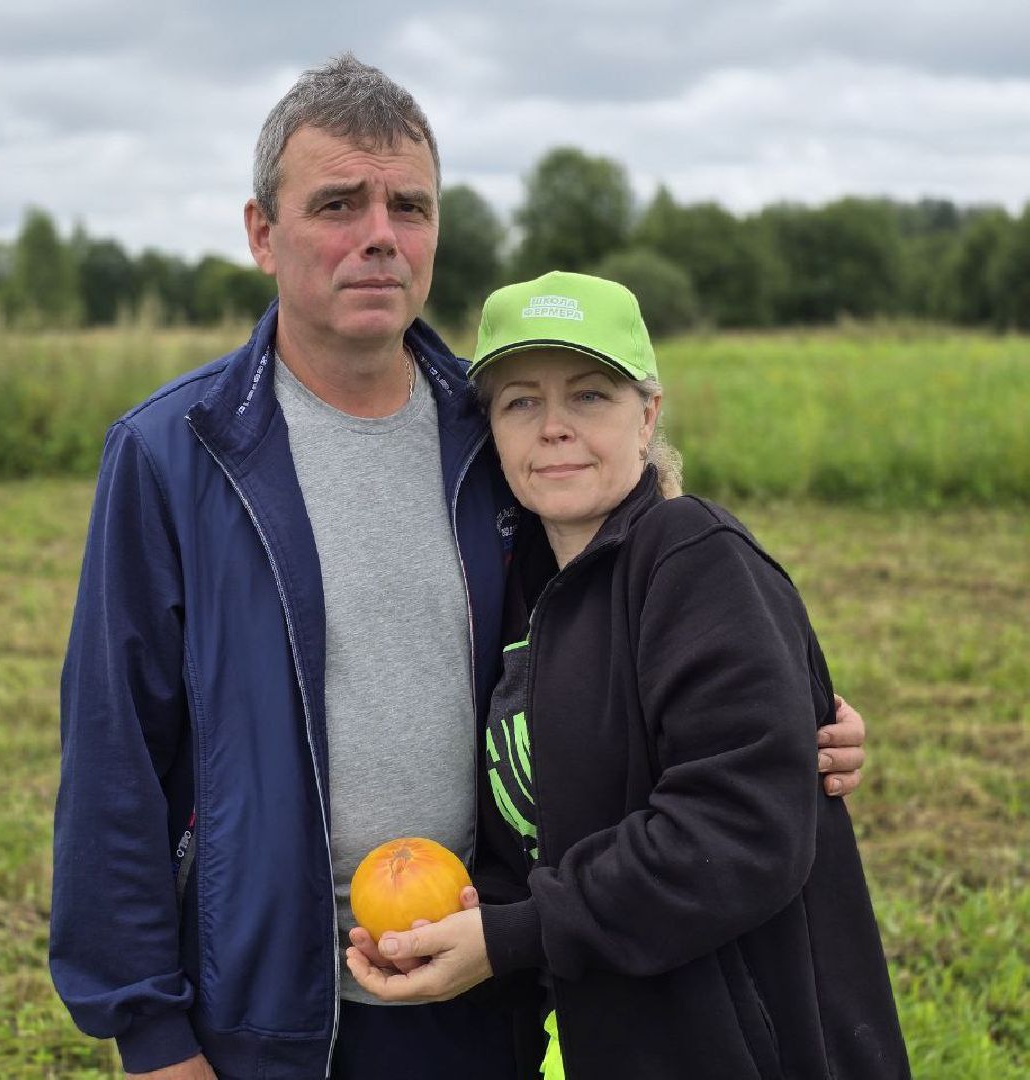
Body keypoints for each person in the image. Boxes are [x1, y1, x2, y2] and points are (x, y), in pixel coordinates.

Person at [49, 56, 868, 1080]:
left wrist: (793, 721)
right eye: (337, 204)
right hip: (256, 1005)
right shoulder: (176, 454)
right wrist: (153, 1035)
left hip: (475, 988)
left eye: (409, 206)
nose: (378, 235)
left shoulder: (488, 441)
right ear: (263, 232)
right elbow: (114, 751)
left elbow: (608, 637)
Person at [346, 271, 910, 1078]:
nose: (553, 429)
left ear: (647, 416)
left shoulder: (694, 556)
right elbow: (547, 832)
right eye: (521, 403)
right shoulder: (520, 602)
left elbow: (738, 831)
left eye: (589, 397)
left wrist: (515, 936)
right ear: (492, 432)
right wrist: (461, 928)